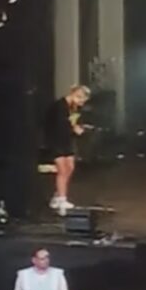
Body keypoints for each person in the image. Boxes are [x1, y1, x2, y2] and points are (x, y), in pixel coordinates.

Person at [41, 84, 92, 215]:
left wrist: (77, 129)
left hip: (66, 140)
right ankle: (62, 200)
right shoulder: (59, 106)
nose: (81, 103)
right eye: (80, 100)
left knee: (70, 167)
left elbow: (71, 123)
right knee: (62, 169)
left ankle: (57, 196)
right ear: (76, 95)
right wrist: (73, 129)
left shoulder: (73, 108)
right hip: (55, 140)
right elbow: (59, 125)